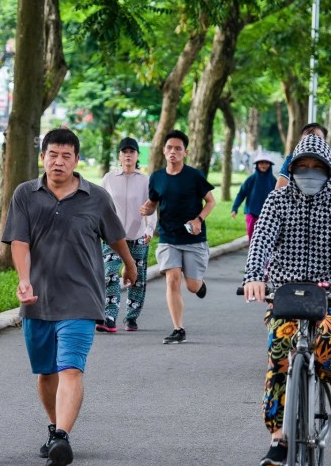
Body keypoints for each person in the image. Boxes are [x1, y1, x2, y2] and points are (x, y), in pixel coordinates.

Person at [1, 128, 137, 466]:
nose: (58, 161)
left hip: (81, 298)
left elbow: (116, 236)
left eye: (66, 156)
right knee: (46, 373)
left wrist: (130, 264)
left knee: (71, 369)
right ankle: (55, 429)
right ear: (43, 157)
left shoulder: (97, 197)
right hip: (38, 300)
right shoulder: (25, 195)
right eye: (52, 155)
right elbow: (19, 242)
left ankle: (62, 435)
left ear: (76, 160)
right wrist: (23, 280)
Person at [242, 135, 331, 466]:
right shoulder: (277, 200)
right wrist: (254, 276)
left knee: (329, 340)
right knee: (280, 354)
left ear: (329, 170)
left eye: (317, 167)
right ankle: (278, 439)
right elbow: (261, 241)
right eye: (302, 167)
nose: (309, 172)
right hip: (287, 290)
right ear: (292, 169)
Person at [139, 130, 216, 345]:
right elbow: (154, 202)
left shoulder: (194, 176)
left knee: (191, 286)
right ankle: (178, 328)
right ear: (164, 151)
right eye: (170, 148)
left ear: (185, 152)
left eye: (178, 149)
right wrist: (148, 209)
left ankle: (199, 286)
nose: (173, 152)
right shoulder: (157, 177)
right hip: (168, 236)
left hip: (193, 238)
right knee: (172, 280)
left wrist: (199, 219)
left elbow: (211, 202)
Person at [98, 137, 156, 333]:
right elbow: (101, 205)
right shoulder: (109, 178)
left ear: (138, 156)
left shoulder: (145, 180)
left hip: (138, 235)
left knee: (137, 278)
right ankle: (110, 316)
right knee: (110, 274)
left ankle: (131, 317)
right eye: (124, 152)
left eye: (132, 152)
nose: (128, 155)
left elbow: (152, 206)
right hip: (113, 236)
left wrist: (149, 229)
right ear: (119, 155)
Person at [275, 122, 331, 190]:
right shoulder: (290, 160)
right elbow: (279, 190)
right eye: (302, 165)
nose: (312, 141)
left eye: (318, 138)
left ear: (325, 143)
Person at [232, 152, 277, 240]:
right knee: (252, 236)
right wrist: (235, 208)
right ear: (257, 164)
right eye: (261, 163)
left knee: (267, 238)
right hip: (252, 213)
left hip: (269, 215)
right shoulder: (251, 179)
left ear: (270, 165)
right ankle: (252, 253)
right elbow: (241, 194)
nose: (264, 165)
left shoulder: (273, 181)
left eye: (266, 163)